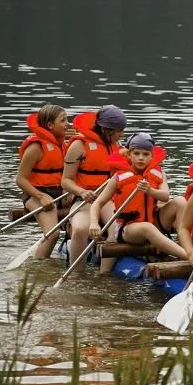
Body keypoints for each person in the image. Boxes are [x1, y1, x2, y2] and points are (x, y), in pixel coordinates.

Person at [90, 133, 186, 260]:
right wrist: (94, 223)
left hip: (153, 222)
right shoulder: (118, 177)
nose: (141, 158)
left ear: (152, 156)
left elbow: (165, 196)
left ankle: (184, 244)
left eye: (145, 154)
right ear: (129, 155)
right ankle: (187, 256)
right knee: (147, 227)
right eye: (137, 153)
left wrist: (150, 190)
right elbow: (97, 203)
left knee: (180, 201)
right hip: (129, 228)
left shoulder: (158, 173)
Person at [61, 105, 126, 271]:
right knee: (80, 229)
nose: (121, 135)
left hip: (108, 199)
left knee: (116, 230)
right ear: (106, 129)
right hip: (84, 199)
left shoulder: (117, 146)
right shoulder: (79, 145)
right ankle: (76, 275)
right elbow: (66, 181)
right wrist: (82, 192)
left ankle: (104, 274)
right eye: (119, 131)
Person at [16, 104, 70, 258]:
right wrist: (41, 197)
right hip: (36, 194)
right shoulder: (35, 147)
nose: (67, 124)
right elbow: (20, 179)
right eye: (63, 120)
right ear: (50, 125)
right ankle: (38, 267)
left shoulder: (63, 144)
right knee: (53, 234)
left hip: (60, 193)